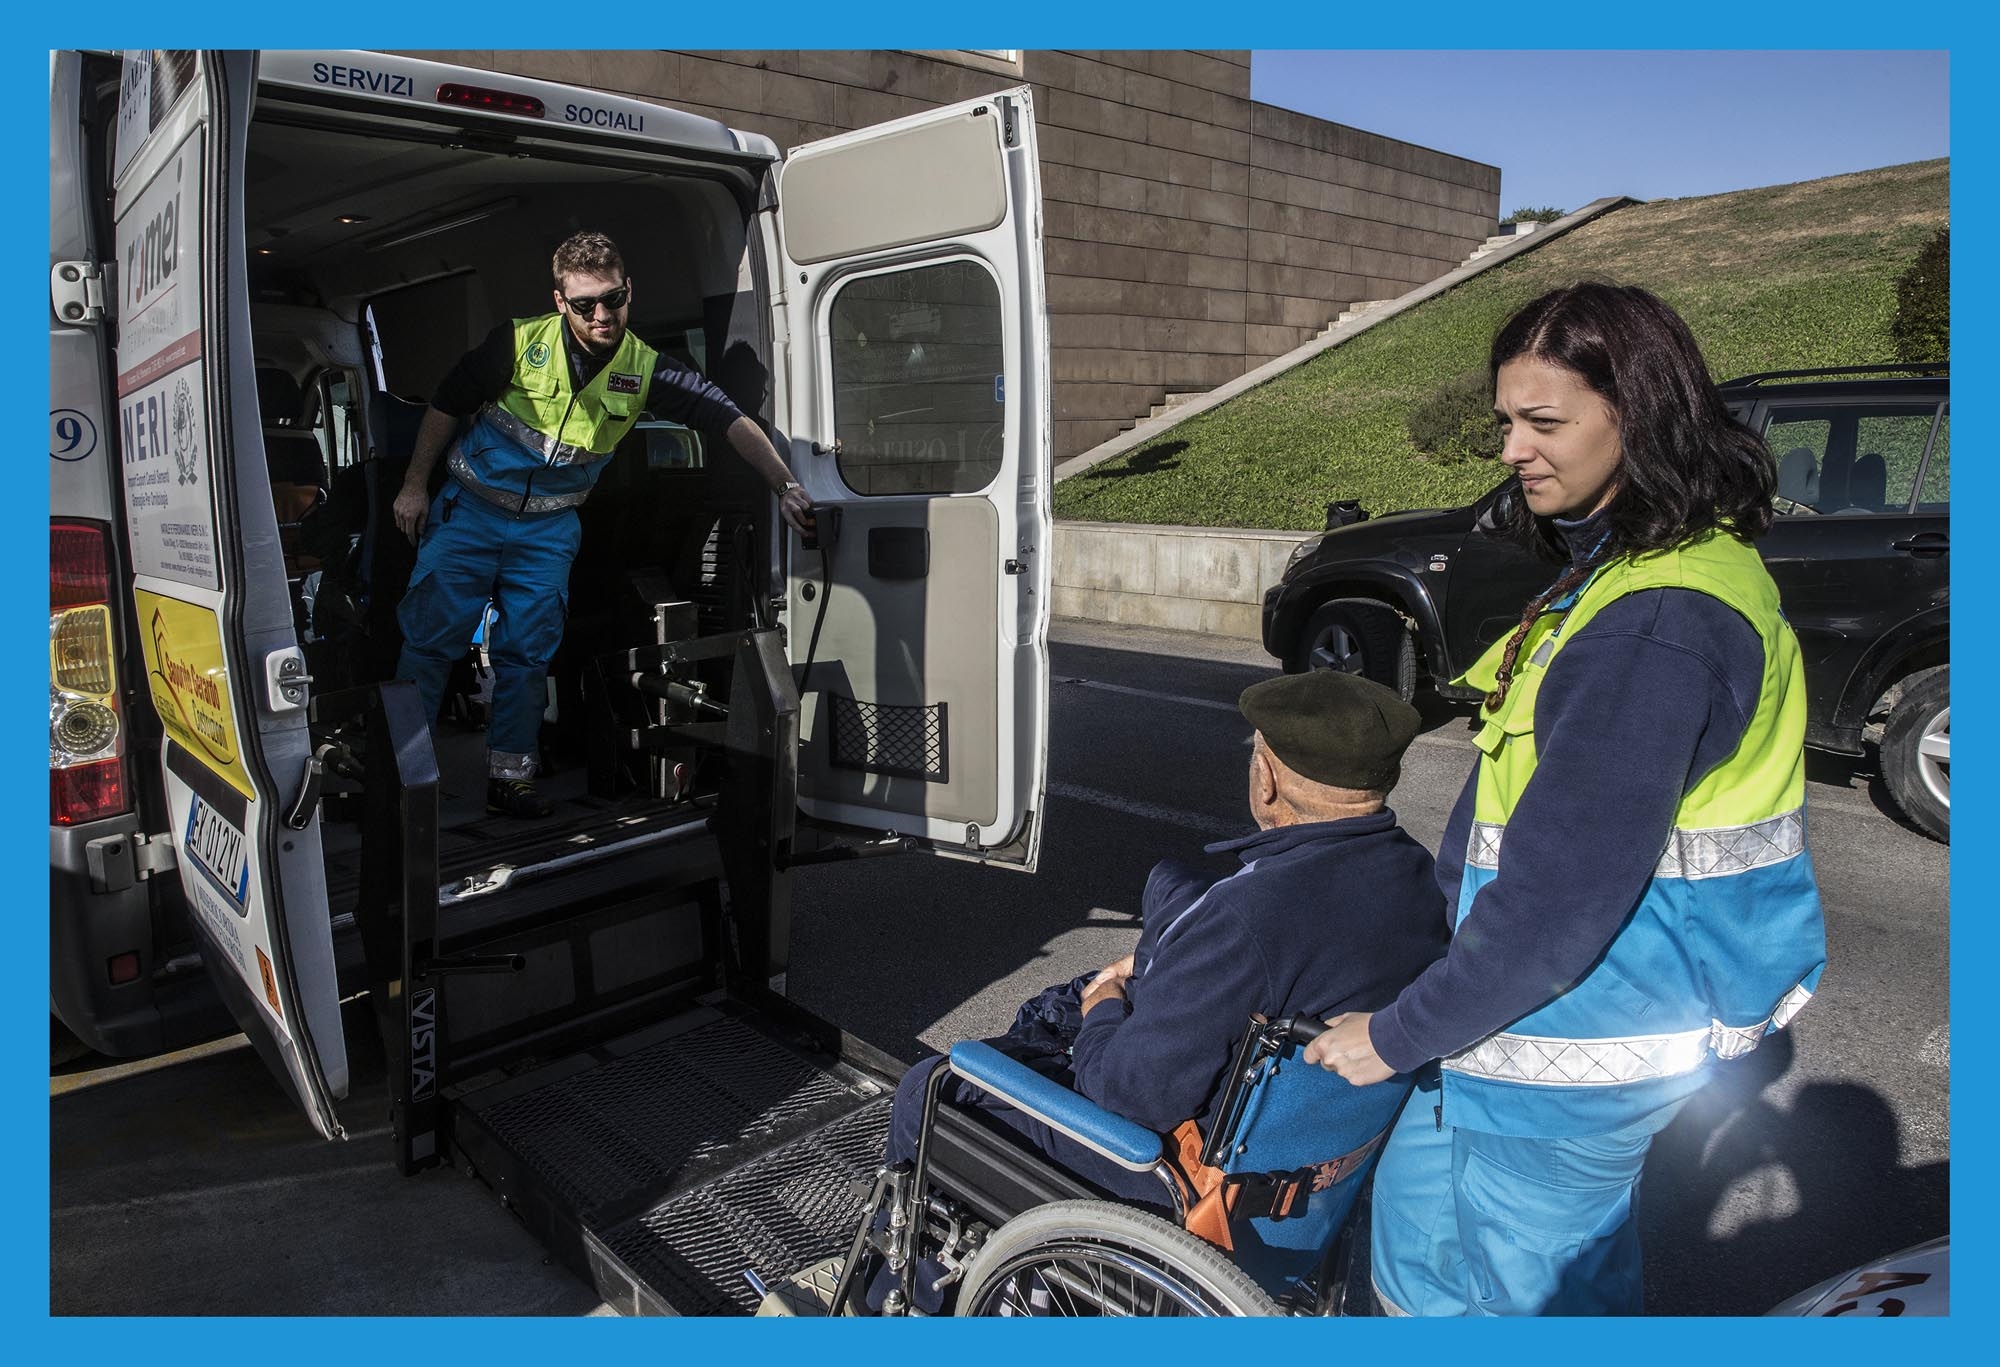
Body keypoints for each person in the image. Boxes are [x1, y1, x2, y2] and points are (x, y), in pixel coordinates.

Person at [1303, 282, 1828, 1316]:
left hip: (1563, 1050)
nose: (1510, 447)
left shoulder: (1656, 619)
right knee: (1416, 1266)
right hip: (1498, 1022)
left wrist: (1398, 1031)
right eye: (1506, 419)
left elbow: (1559, 894)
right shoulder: (1629, 570)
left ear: (1640, 422)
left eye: (1542, 422)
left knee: (1532, 1300)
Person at [882, 669, 1449, 1223]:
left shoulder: (1248, 916)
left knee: (930, 1091)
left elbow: (1126, 1095)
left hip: (1185, 1188)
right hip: (1305, 1194)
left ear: (1266, 778)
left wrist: (1102, 1003)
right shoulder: (1416, 877)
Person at [390, 230, 814, 817]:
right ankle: (404, 779)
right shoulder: (516, 343)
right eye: (585, 303)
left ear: (627, 292)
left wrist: (786, 484)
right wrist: (414, 485)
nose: (601, 314)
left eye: (612, 299)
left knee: (527, 654)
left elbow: (728, 419)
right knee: (430, 641)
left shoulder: (646, 369)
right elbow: (445, 403)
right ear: (561, 302)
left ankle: (510, 777)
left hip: (547, 532)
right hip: (470, 515)